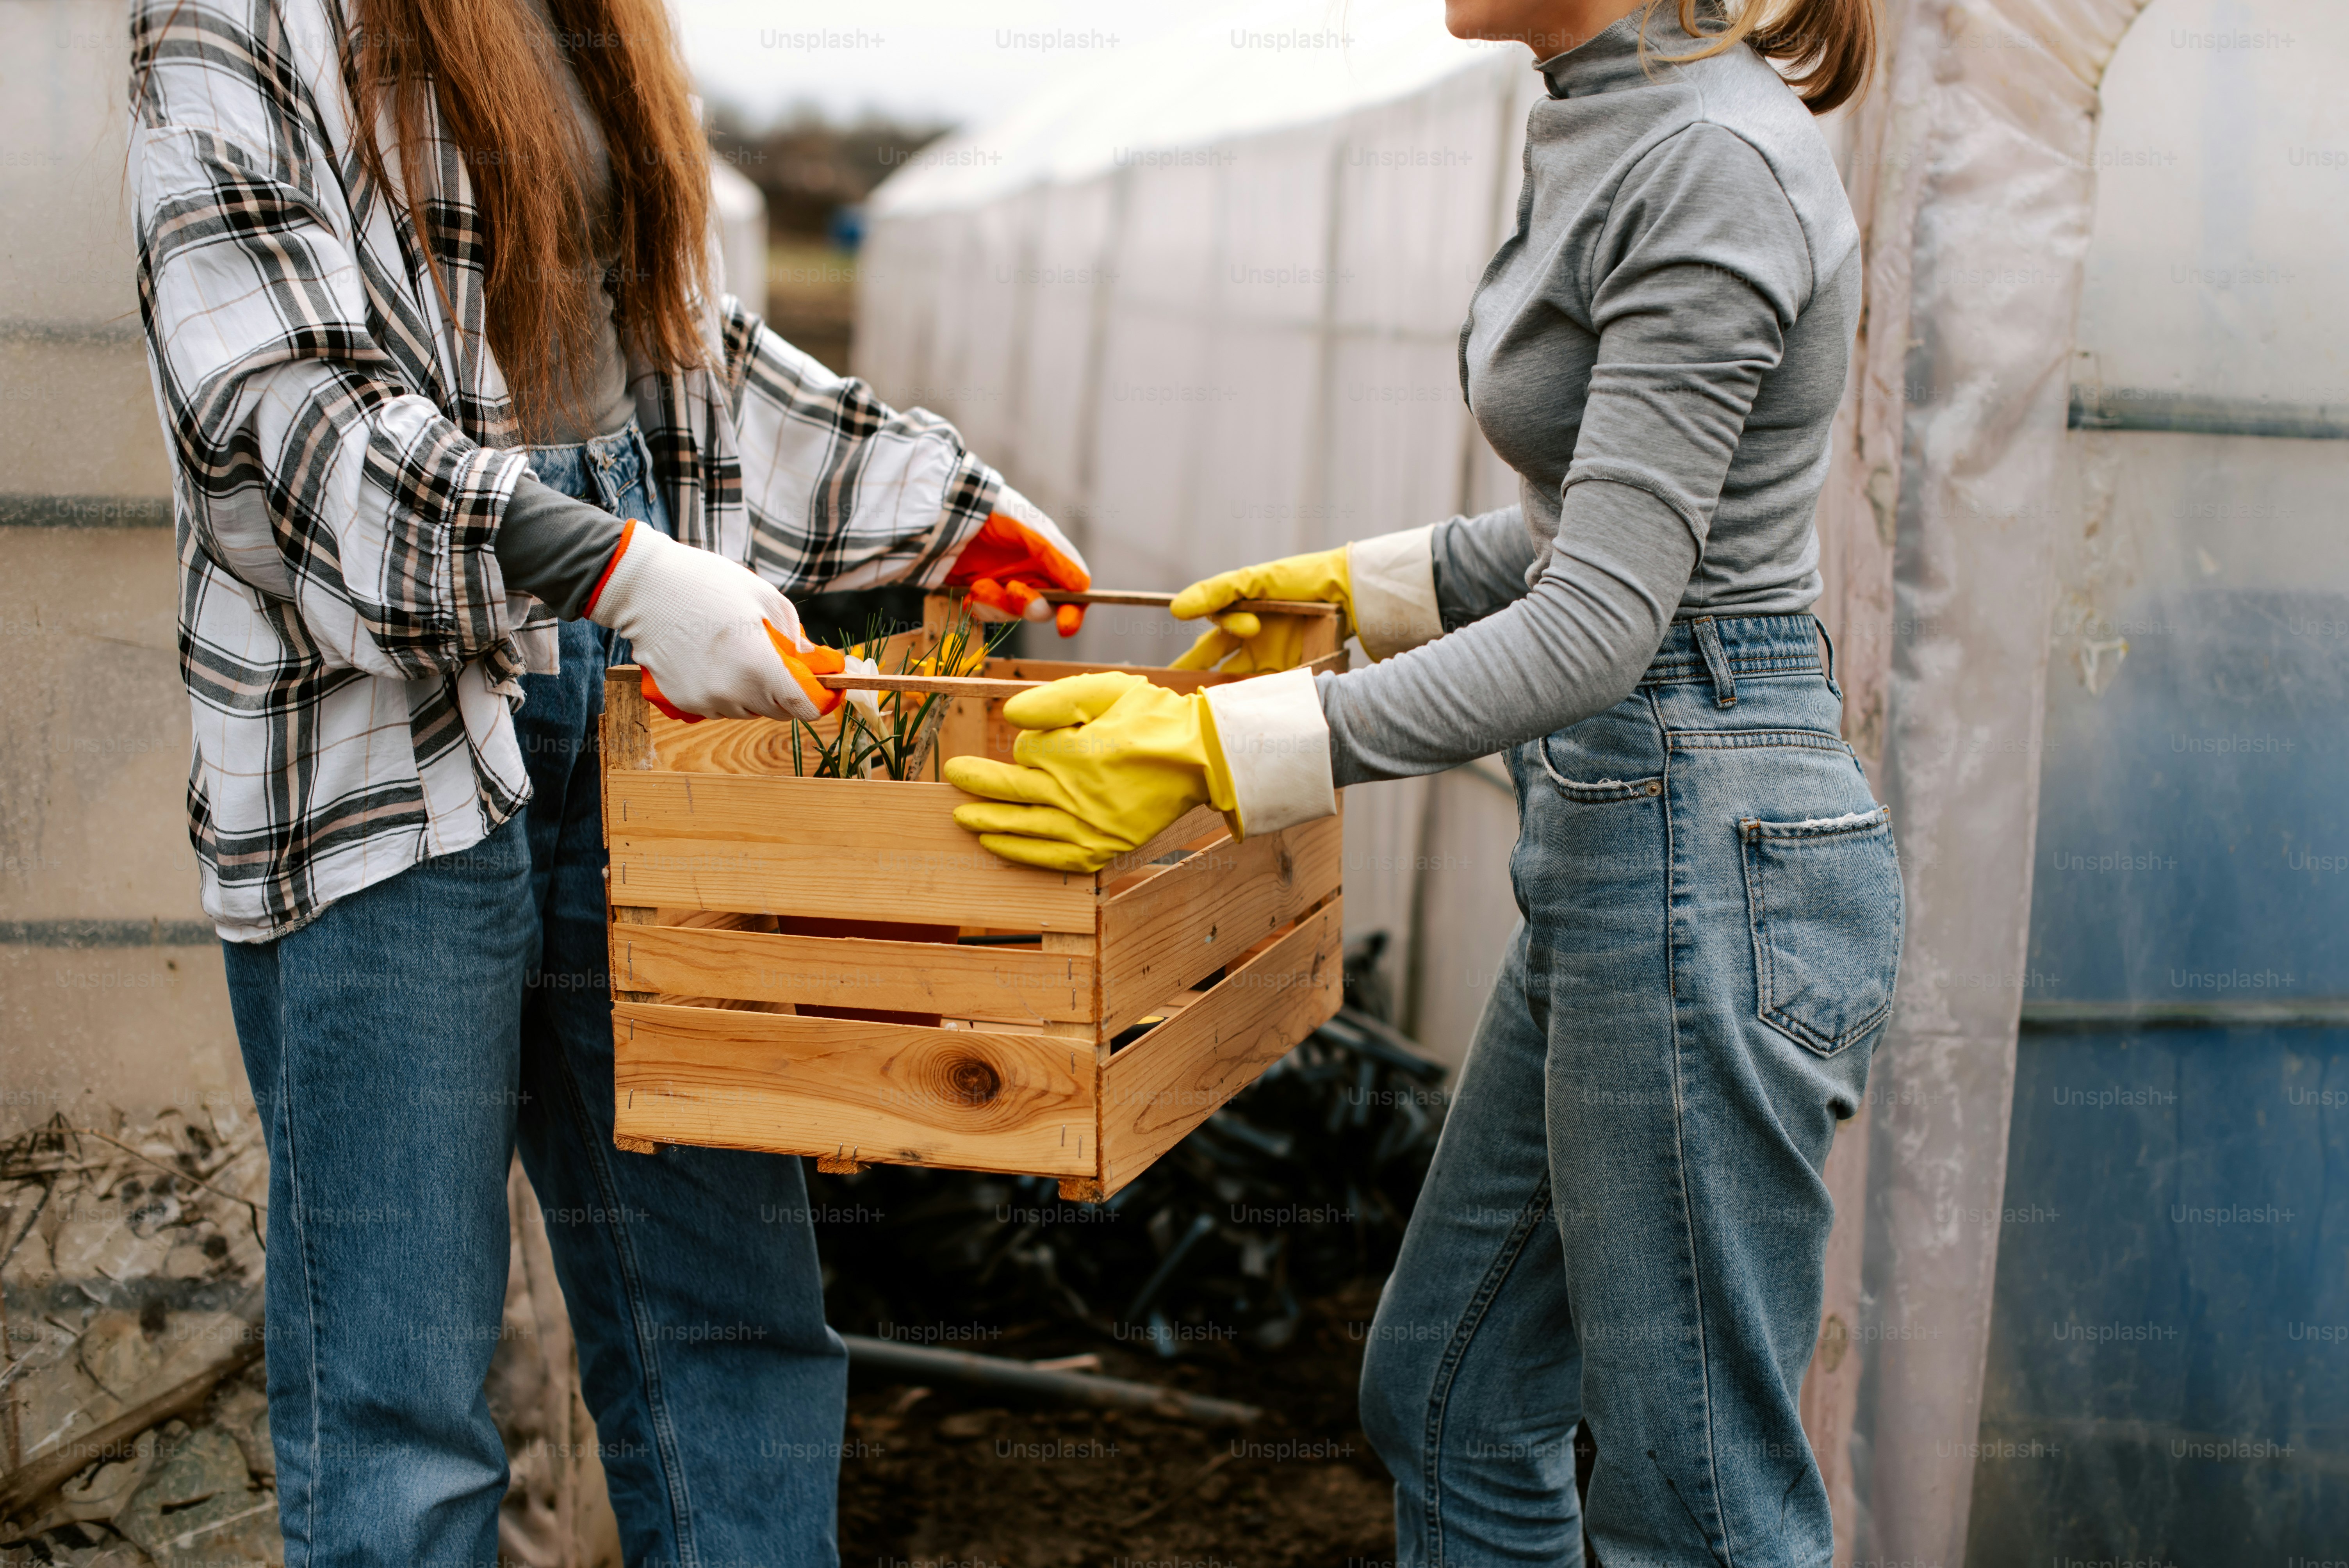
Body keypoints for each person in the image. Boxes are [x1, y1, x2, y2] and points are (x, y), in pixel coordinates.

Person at [943, 0, 1901, 1562]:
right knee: (1450, 1399)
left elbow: (1604, 621)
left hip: (1700, 850)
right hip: (1633, 828)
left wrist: (1221, 751)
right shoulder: (1609, 108)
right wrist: (1365, 586)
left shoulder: (1709, 162)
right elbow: (1618, 527)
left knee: (1700, 1507)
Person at [129, 0, 1086, 1561]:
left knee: (737, 1324)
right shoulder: (237, 17)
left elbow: (672, 344)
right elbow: (268, 406)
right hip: (383, 726)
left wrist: (936, 504)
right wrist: (613, 567)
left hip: (639, 699)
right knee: (399, 1403)